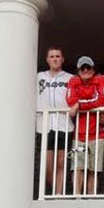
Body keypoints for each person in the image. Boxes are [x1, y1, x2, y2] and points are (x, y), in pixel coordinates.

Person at [67, 56, 104, 196]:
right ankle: (77, 196)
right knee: (77, 167)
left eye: (88, 67)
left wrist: (80, 105)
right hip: (79, 134)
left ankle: (91, 197)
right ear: (78, 71)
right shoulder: (73, 81)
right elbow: (70, 100)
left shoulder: (100, 80)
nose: (85, 70)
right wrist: (85, 104)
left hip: (98, 134)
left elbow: (102, 100)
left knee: (94, 169)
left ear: (93, 70)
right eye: (82, 68)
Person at [37, 47, 73, 196]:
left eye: (57, 56)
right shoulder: (39, 77)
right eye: (52, 56)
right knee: (47, 165)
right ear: (47, 59)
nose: (55, 59)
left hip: (64, 124)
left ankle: (58, 194)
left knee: (61, 162)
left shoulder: (70, 78)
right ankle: (52, 190)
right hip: (43, 124)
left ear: (62, 59)